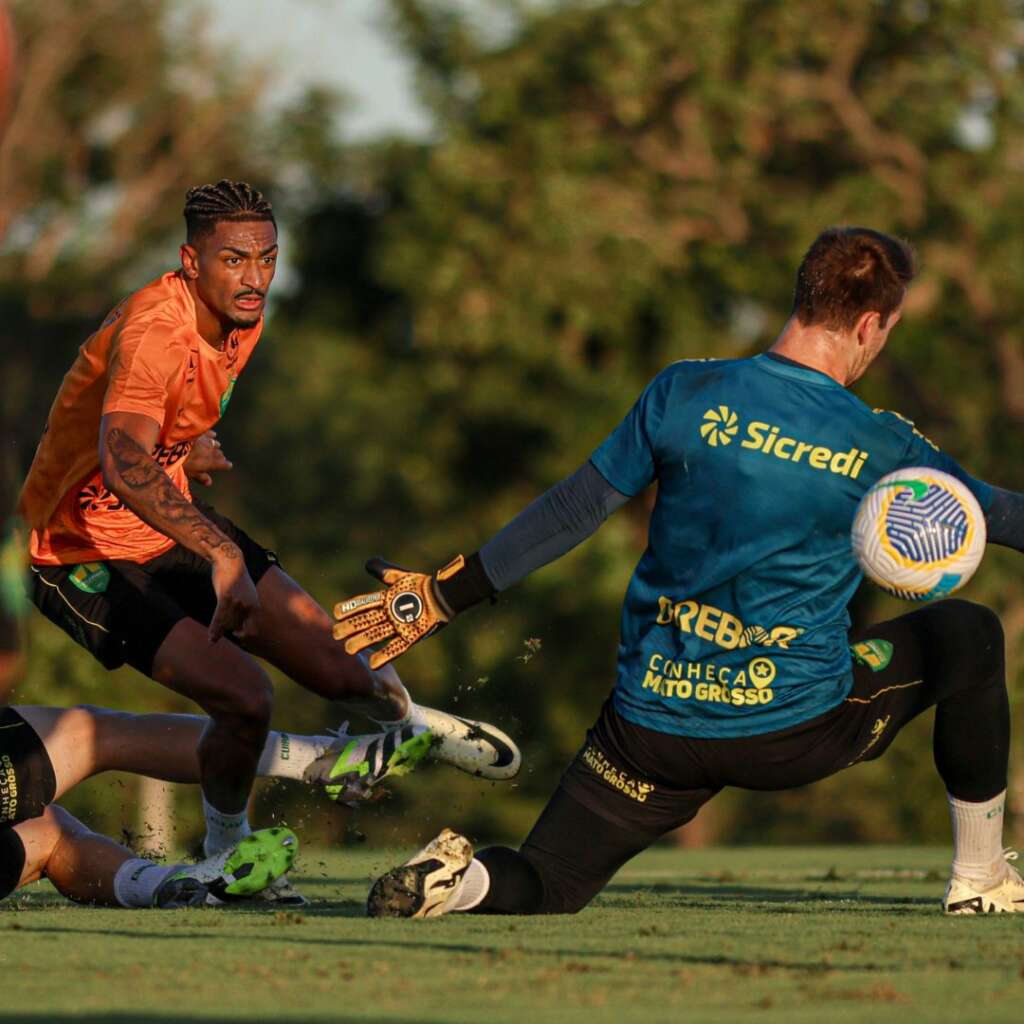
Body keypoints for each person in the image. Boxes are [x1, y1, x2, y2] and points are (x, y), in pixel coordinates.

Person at [337, 227, 1024, 918]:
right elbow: (1001, 517)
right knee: (970, 635)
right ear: (872, 324)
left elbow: (576, 507)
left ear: (803, 295)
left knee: (549, 880)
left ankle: (460, 883)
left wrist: (443, 595)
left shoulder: (684, 390)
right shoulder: (883, 442)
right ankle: (981, 877)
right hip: (791, 729)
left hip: (651, 729)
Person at [17, 180, 519, 905]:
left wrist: (182, 457)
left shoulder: (243, 318)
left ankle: (415, 727)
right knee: (245, 695)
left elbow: (149, 441)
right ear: (192, 261)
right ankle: (230, 855)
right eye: (234, 260)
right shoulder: (157, 328)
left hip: (167, 523)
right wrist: (221, 554)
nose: (254, 278)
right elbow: (123, 456)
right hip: (82, 552)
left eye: (268, 258)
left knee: (342, 667)